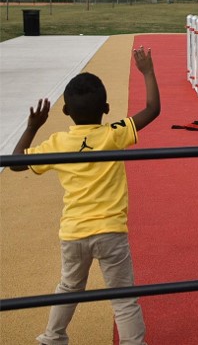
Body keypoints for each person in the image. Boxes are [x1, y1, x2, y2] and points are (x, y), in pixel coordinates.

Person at [9, 46, 161, 345]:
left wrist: (31, 127)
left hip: (74, 232)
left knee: (68, 287)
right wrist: (147, 71)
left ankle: (52, 337)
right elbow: (152, 110)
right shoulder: (113, 133)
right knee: (123, 297)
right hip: (111, 232)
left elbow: (16, 164)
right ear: (106, 109)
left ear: (65, 111)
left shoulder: (58, 142)